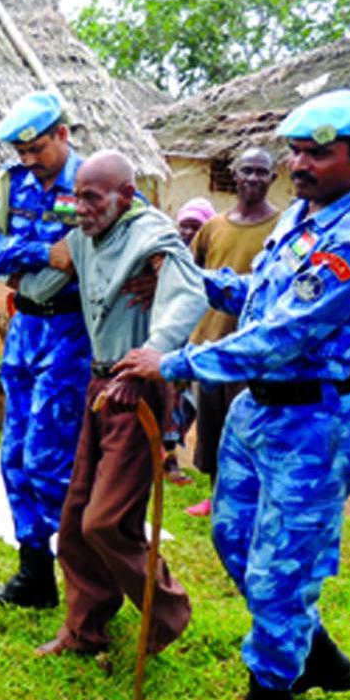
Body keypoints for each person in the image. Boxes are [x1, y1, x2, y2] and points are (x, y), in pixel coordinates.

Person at [120, 89, 350, 700]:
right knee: (234, 538)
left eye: (318, 154)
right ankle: (316, 650)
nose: (300, 165)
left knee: (281, 568)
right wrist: (192, 281)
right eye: (296, 152)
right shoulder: (305, 215)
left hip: (315, 421)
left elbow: (285, 333)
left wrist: (175, 361)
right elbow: (264, 295)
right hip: (258, 411)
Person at [14, 150, 207, 657]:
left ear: (125, 195)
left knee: (105, 521)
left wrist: (149, 357)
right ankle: (84, 630)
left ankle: (167, 614)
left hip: (136, 389)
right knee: (76, 519)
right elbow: (41, 286)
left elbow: (188, 293)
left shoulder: (151, 233)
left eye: (93, 198)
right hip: (99, 389)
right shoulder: (84, 237)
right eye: (77, 197)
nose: (81, 208)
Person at [0, 90, 91, 609]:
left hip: (73, 337)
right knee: (14, 457)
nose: (29, 160)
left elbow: (131, 247)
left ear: (62, 134)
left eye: (37, 149)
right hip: (25, 332)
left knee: (49, 462)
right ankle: (34, 577)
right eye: (22, 152)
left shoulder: (95, 182)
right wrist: (42, 253)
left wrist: (22, 258)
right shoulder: (11, 184)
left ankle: (88, 582)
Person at [183, 148, 282, 518]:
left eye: (261, 172)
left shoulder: (282, 228)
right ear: (234, 175)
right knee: (212, 426)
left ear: (273, 178)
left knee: (247, 430)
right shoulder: (213, 227)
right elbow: (192, 276)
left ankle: (246, 502)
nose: (253, 178)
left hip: (254, 351)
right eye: (247, 171)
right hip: (211, 343)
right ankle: (215, 498)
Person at [161, 198, 218, 487]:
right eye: (184, 226)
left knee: (188, 405)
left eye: (196, 228)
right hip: (170, 342)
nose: (188, 234)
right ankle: (166, 457)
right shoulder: (166, 257)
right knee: (167, 401)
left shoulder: (213, 263)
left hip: (200, 343)